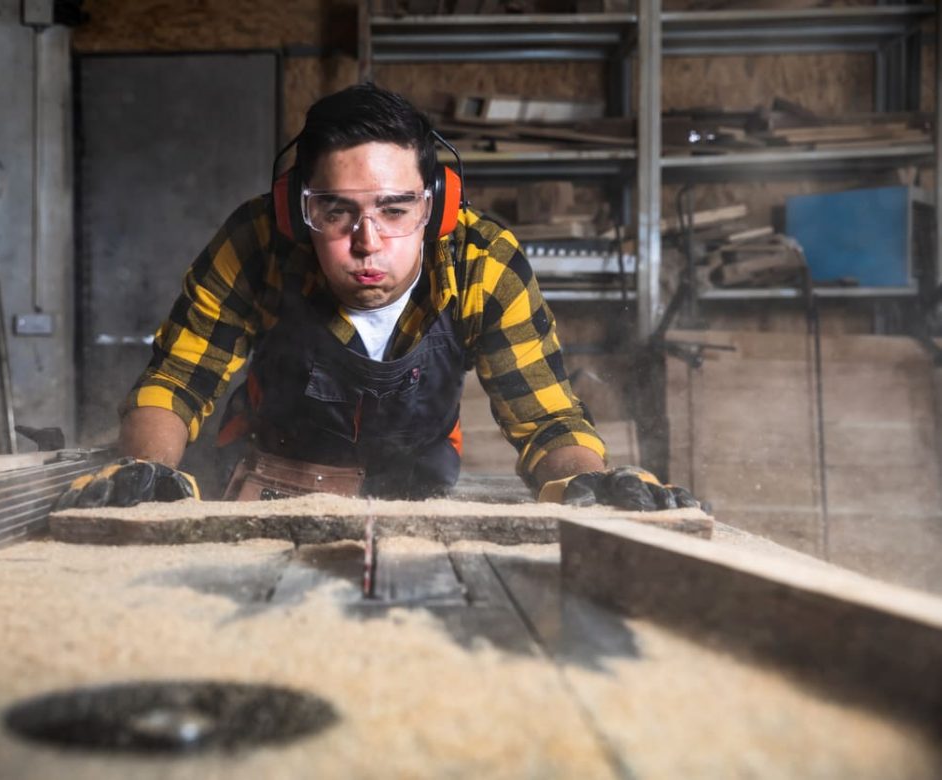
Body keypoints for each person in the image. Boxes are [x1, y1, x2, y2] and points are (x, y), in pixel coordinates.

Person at [57, 83, 696, 512]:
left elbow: (548, 417)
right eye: (335, 212)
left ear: (437, 205)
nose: (368, 243)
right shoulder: (257, 242)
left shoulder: (482, 262)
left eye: (394, 209)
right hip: (272, 470)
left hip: (418, 482)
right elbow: (177, 380)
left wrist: (587, 479)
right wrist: (142, 472)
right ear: (293, 210)